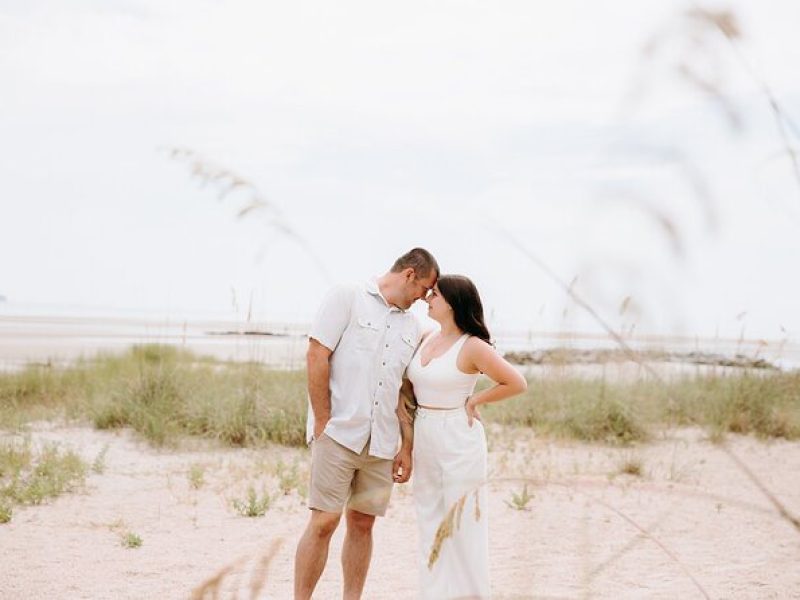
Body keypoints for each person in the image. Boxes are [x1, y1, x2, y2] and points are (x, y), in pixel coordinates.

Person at [293, 247, 440, 600]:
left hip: (382, 443)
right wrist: (323, 419)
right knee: (324, 522)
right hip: (339, 435)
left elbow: (404, 391)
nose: (424, 299)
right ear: (409, 275)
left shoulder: (414, 327)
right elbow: (317, 353)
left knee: (363, 524)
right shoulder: (347, 296)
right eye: (424, 289)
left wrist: (406, 446)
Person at [403, 274, 528, 600]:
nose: (427, 299)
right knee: (429, 519)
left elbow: (516, 382)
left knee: (461, 525)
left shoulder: (472, 345)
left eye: (435, 295)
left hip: (458, 435)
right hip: (425, 432)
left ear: (453, 303)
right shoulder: (427, 336)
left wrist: (476, 400)